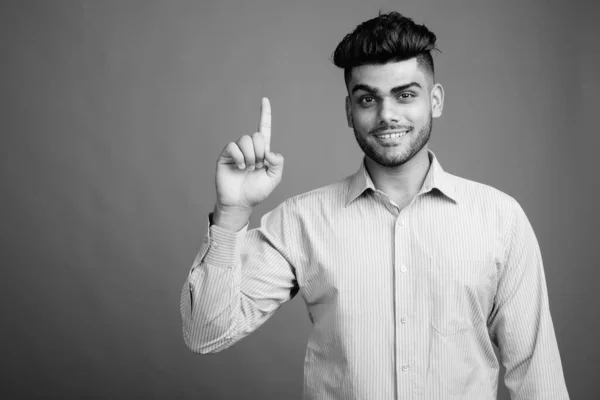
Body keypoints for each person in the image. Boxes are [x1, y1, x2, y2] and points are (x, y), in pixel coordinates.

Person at [180, 11, 569, 400]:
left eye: (405, 94)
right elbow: (205, 334)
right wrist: (231, 213)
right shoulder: (302, 222)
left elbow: (537, 378)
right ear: (349, 110)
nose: (387, 115)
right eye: (368, 99)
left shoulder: (500, 219)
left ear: (434, 100)